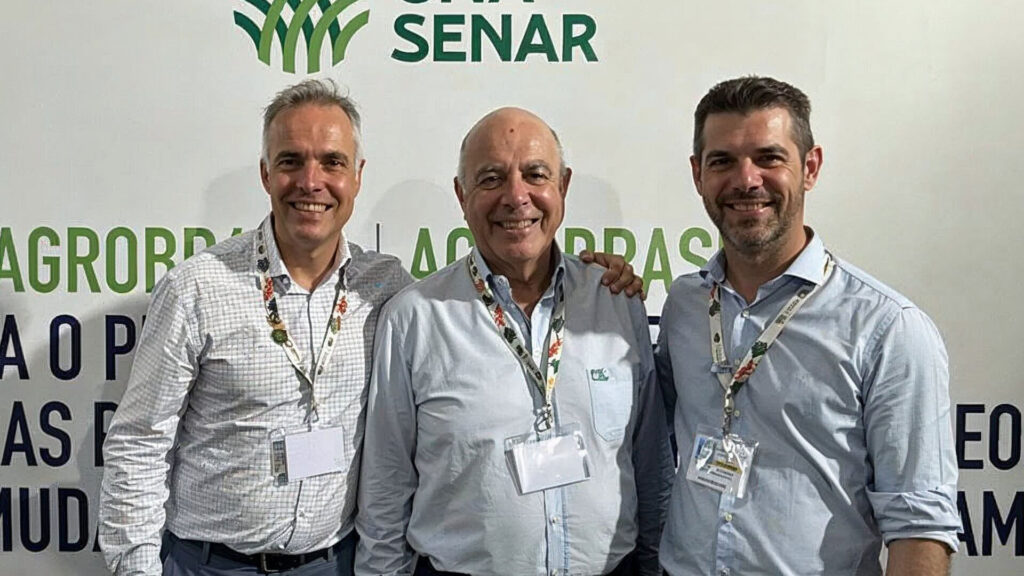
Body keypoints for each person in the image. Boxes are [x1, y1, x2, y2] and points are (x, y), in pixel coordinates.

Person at [98, 80, 641, 576]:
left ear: (357, 176)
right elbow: (138, 442)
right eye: (291, 161)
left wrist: (606, 275)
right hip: (213, 565)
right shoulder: (198, 288)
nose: (311, 182)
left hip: (332, 562)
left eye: (332, 162)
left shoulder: (385, 288)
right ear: (265, 174)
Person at [655, 76, 961, 575]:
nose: (746, 180)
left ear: (810, 167)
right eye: (722, 161)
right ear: (698, 174)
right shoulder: (686, 304)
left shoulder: (887, 328)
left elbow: (919, 525)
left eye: (769, 158)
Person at [355, 107, 673, 576]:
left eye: (535, 175)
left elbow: (650, 461)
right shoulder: (414, 320)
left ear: (563, 186)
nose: (516, 196)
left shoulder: (615, 303)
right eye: (491, 179)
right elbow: (386, 488)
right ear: (462, 196)